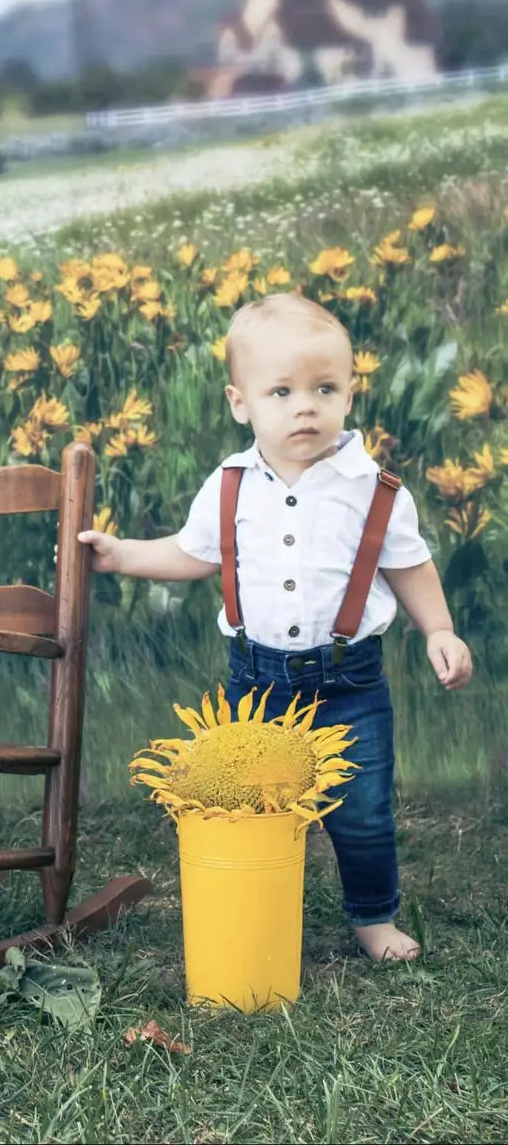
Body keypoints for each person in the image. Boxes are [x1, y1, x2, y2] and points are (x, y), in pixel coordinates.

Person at [79, 292, 473, 961]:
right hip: (256, 684)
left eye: (324, 387)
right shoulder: (230, 483)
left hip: (351, 684)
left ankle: (373, 919)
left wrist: (439, 629)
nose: (305, 406)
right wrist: (121, 556)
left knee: (365, 812)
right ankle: (258, 905)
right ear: (242, 403)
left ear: (351, 393)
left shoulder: (373, 488)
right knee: (250, 808)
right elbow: (193, 553)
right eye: (282, 391)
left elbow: (408, 565)